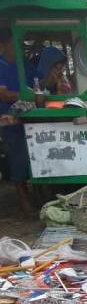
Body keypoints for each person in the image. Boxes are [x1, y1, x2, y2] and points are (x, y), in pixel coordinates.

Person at [0, 28, 36, 214]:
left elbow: (37, 85)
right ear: (4, 45)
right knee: (18, 158)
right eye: (14, 45)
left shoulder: (24, 65)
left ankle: (37, 194)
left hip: (31, 119)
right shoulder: (1, 65)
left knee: (35, 155)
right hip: (10, 120)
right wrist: (24, 96)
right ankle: (23, 200)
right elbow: (3, 94)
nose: (19, 49)